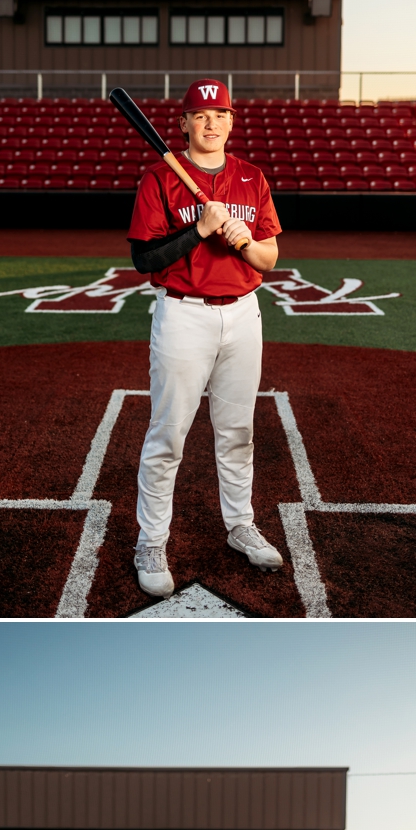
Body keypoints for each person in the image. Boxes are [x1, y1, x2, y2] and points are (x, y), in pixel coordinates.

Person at [126, 78, 286, 598]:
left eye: (219, 114)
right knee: (168, 435)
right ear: (184, 124)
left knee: (237, 432)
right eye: (200, 115)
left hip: (243, 314)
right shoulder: (159, 178)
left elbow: (269, 259)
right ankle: (151, 541)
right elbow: (144, 260)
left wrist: (242, 242)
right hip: (183, 316)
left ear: (232, 122)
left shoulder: (251, 177)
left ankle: (240, 525)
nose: (211, 122)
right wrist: (198, 231)